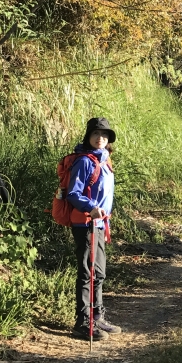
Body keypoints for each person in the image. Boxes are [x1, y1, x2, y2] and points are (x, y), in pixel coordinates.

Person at [66, 116, 122, 340]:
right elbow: (73, 193)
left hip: (99, 224)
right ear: (88, 137)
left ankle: (97, 316)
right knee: (87, 272)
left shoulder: (105, 160)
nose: (101, 138)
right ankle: (82, 322)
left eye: (105, 134)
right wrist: (91, 208)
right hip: (85, 223)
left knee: (98, 272)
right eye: (96, 134)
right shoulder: (85, 161)